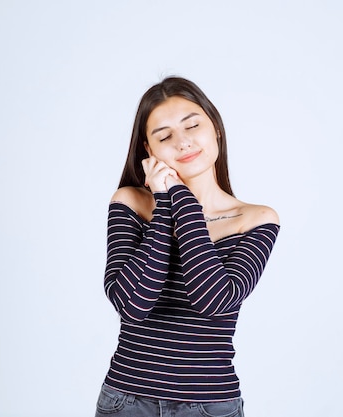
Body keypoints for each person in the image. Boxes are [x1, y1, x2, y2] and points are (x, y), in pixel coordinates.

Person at [95, 76, 280, 417]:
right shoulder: (131, 203)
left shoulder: (256, 219)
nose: (182, 143)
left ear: (216, 130)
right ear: (149, 151)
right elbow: (132, 304)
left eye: (192, 125)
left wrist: (178, 195)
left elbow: (212, 300)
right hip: (127, 401)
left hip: (209, 406)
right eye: (164, 136)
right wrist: (164, 199)